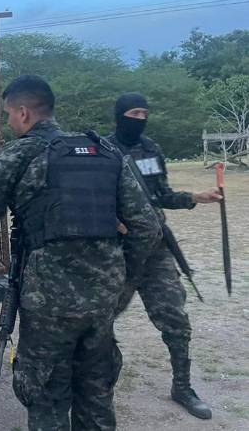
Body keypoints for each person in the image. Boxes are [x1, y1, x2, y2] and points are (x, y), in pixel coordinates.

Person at [0, 75, 160, 430]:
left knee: (47, 397)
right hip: (102, 300)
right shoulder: (104, 152)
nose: (8, 123)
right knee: (96, 396)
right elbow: (147, 227)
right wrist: (122, 281)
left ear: (22, 113)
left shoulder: (16, 155)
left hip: (47, 303)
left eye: (8, 115)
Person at [109, 92, 221, 420]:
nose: (140, 118)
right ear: (120, 115)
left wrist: (195, 197)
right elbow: (93, 200)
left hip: (157, 252)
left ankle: (182, 387)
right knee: (100, 322)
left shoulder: (150, 149)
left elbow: (162, 195)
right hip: (118, 255)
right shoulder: (103, 150)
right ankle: (99, 385)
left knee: (175, 319)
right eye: (134, 112)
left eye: (145, 112)